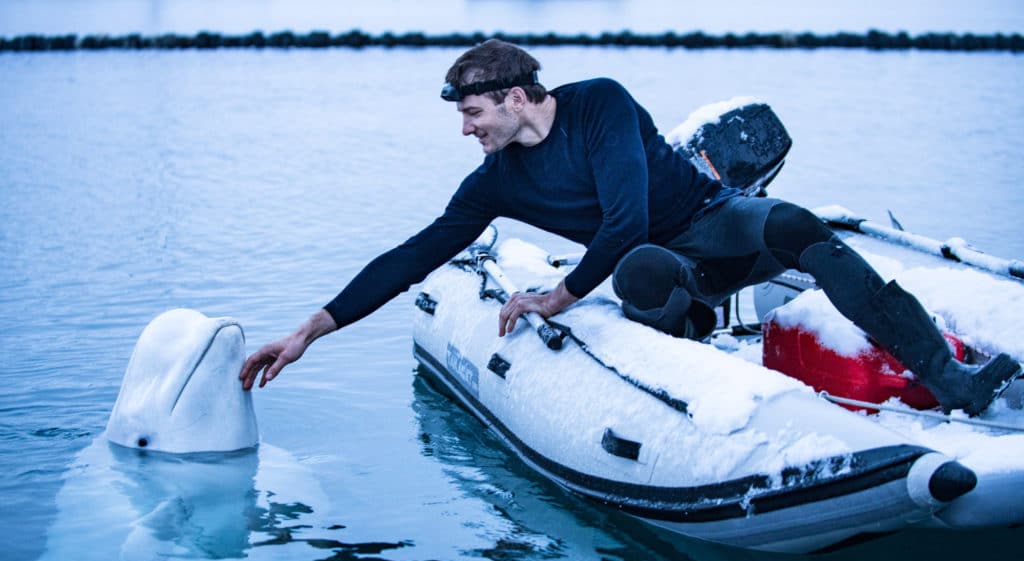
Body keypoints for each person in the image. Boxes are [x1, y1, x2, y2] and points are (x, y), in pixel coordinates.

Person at [240, 39, 1019, 416]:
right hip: (661, 272)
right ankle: (690, 336)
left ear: (515, 97)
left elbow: (627, 215)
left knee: (791, 222)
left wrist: (560, 294)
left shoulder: (599, 102)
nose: (466, 130)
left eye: (473, 113)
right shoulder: (494, 183)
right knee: (644, 265)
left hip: (714, 230)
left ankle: (950, 382)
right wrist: (311, 328)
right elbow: (413, 255)